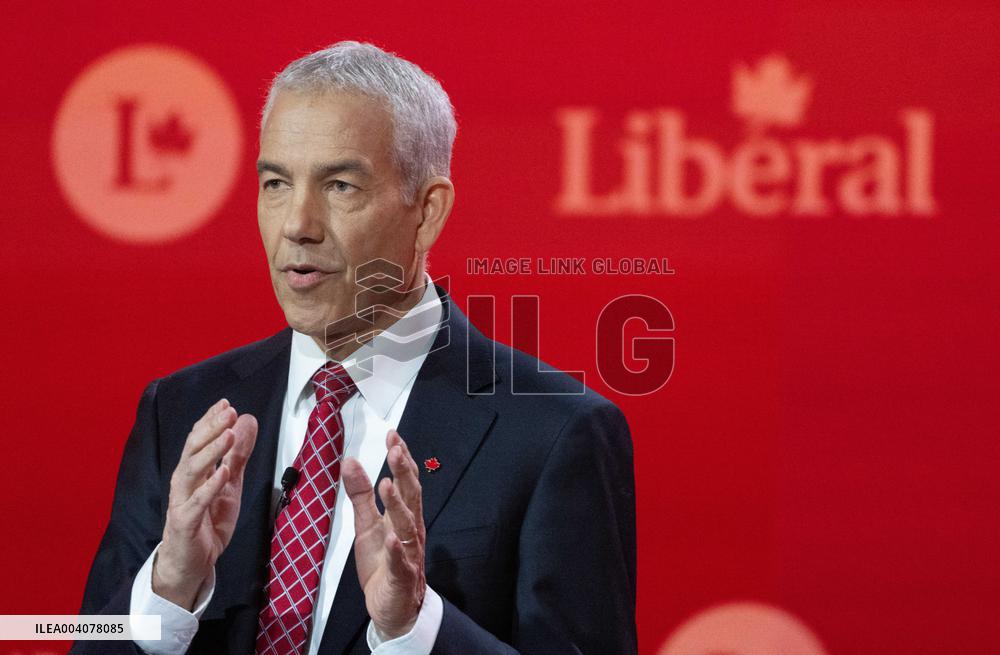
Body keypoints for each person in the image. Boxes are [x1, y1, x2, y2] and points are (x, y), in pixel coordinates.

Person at [72, 41, 636, 655]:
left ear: (426, 212)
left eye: (339, 185)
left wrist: (415, 630)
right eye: (276, 183)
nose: (297, 223)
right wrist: (167, 593)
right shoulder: (181, 410)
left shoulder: (553, 433)